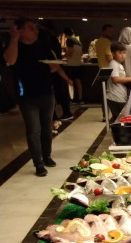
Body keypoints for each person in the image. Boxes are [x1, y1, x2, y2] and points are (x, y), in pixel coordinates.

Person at [3, 17, 70, 176]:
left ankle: (47, 156)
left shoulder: (43, 45)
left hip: (47, 93)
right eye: (31, 28)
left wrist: (54, 67)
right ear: (20, 30)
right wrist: (14, 39)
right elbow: (10, 60)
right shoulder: (14, 45)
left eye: (35, 27)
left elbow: (53, 67)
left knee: (47, 128)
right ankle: (38, 163)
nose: (36, 30)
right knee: (34, 129)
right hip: (27, 96)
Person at [106, 41, 131, 123]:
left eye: (124, 53)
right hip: (115, 97)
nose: (123, 55)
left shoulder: (119, 64)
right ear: (113, 54)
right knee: (120, 120)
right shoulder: (113, 64)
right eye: (120, 53)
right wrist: (130, 79)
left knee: (120, 120)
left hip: (120, 96)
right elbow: (115, 79)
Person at [64, 28, 84, 104]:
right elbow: (81, 53)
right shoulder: (78, 41)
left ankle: (71, 99)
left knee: (71, 81)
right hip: (78, 63)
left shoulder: (69, 40)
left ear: (65, 34)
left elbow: (70, 51)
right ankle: (80, 99)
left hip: (71, 64)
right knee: (78, 81)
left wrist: (63, 56)